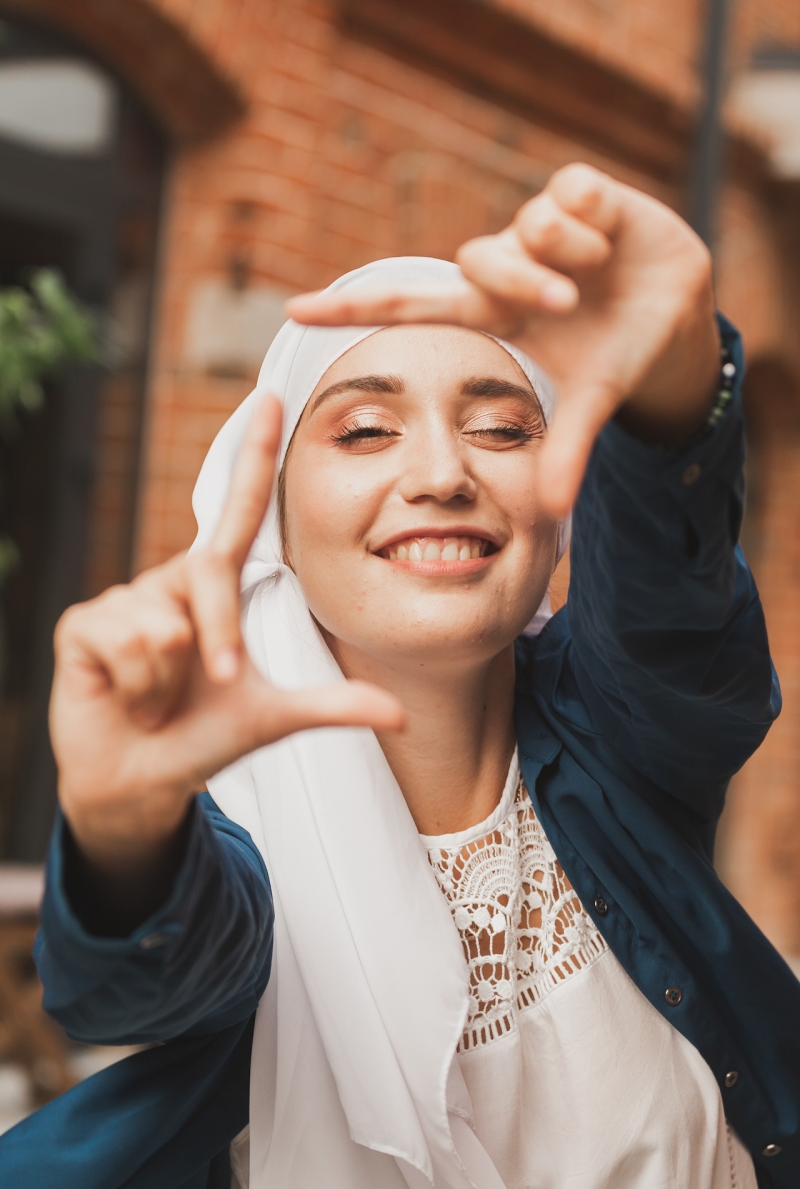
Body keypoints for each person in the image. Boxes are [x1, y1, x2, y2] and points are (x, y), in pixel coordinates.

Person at [0, 163, 797, 1189]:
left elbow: (674, 612)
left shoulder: (620, 732)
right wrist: (122, 823)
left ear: (558, 503)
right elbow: (139, 994)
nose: (438, 474)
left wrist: (673, 379)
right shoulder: (234, 825)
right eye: (364, 430)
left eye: (503, 426)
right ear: (274, 510)